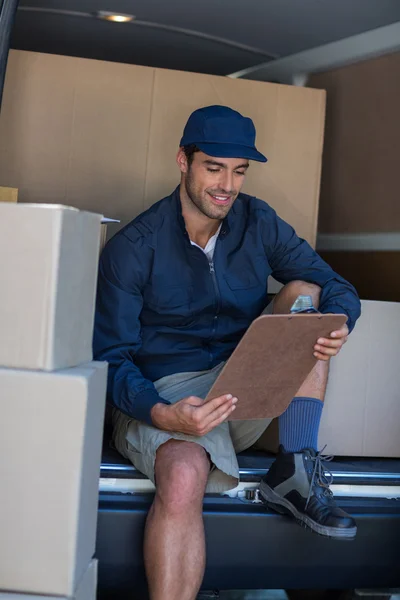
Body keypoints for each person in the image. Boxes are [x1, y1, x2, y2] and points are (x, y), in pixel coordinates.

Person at [93, 105, 361, 600]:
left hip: (243, 383)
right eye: (214, 167)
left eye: (239, 171)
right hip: (168, 394)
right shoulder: (134, 247)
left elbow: (333, 283)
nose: (227, 185)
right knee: (182, 474)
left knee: (307, 293)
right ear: (183, 161)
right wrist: (161, 412)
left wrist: (339, 324)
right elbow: (110, 359)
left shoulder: (257, 220)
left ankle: (296, 470)